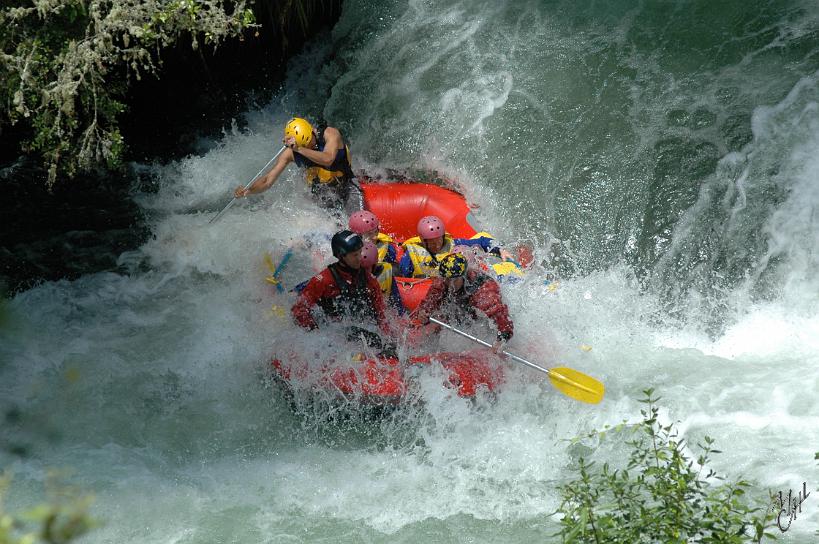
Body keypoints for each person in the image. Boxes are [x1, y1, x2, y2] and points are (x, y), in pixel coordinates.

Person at [234, 117, 356, 212]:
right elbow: (267, 180)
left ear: (311, 132)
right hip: (322, 198)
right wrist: (248, 191)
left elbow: (328, 159)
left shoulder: (330, 133)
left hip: (348, 187)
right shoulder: (290, 154)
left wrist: (299, 149)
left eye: (310, 142)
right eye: (305, 146)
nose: (311, 147)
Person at [291, 231, 394, 342]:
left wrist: (389, 341)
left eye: (360, 252)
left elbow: (380, 314)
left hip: (357, 329)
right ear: (341, 255)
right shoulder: (323, 280)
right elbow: (299, 310)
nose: (360, 258)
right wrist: (315, 334)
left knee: (371, 338)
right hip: (330, 333)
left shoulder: (369, 279)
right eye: (355, 255)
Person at [410, 253, 514, 353]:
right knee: (442, 318)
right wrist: (423, 313)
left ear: (463, 277)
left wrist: (502, 338)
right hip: (461, 303)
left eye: (453, 280)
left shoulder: (483, 290)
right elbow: (429, 302)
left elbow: (500, 315)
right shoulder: (443, 281)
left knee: (472, 320)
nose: (449, 284)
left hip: (478, 313)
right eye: (446, 279)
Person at [398, 215, 513, 278]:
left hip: (455, 281)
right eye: (432, 242)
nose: (437, 245)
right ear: (423, 241)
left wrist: (500, 249)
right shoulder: (411, 255)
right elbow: (402, 276)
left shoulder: (452, 243)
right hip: (427, 285)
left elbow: (482, 241)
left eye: (439, 240)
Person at [360, 241, 405, 314]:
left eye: (367, 268)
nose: (364, 272)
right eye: (361, 269)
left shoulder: (386, 273)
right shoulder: (350, 277)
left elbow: (397, 305)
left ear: (374, 264)